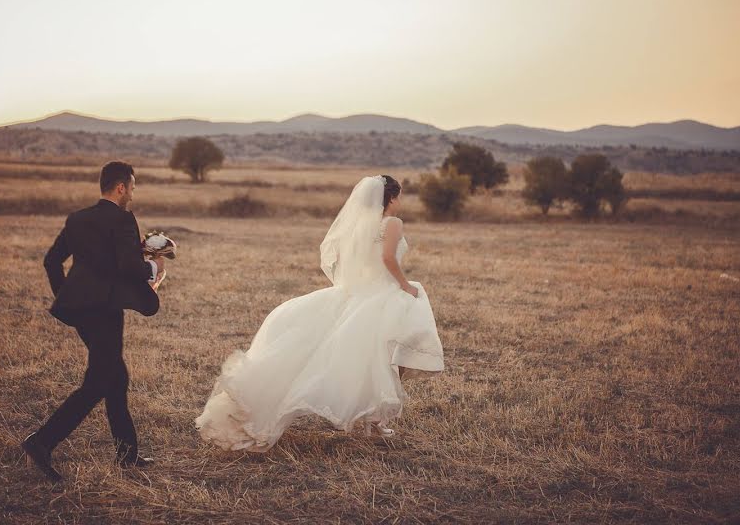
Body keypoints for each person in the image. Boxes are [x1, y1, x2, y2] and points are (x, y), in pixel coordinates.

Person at [195, 174, 444, 451]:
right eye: (399, 197)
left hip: (359, 292)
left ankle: (373, 421)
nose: (400, 202)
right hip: (380, 293)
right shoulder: (392, 223)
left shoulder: (360, 226)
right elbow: (387, 258)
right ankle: (374, 423)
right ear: (392, 198)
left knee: (369, 357)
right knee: (381, 356)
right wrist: (405, 285)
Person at [22, 161, 166, 482]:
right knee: (100, 381)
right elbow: (129, 267)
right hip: (105, 311)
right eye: (131, 186)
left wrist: (69, 299)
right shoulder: (123, 218)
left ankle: (127, 454)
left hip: (82, 312)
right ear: (120, 188)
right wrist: (155, 267)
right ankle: (42, 441)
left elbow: (51, 261)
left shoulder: (77, 219)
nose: (132, 192)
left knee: (116, 376)